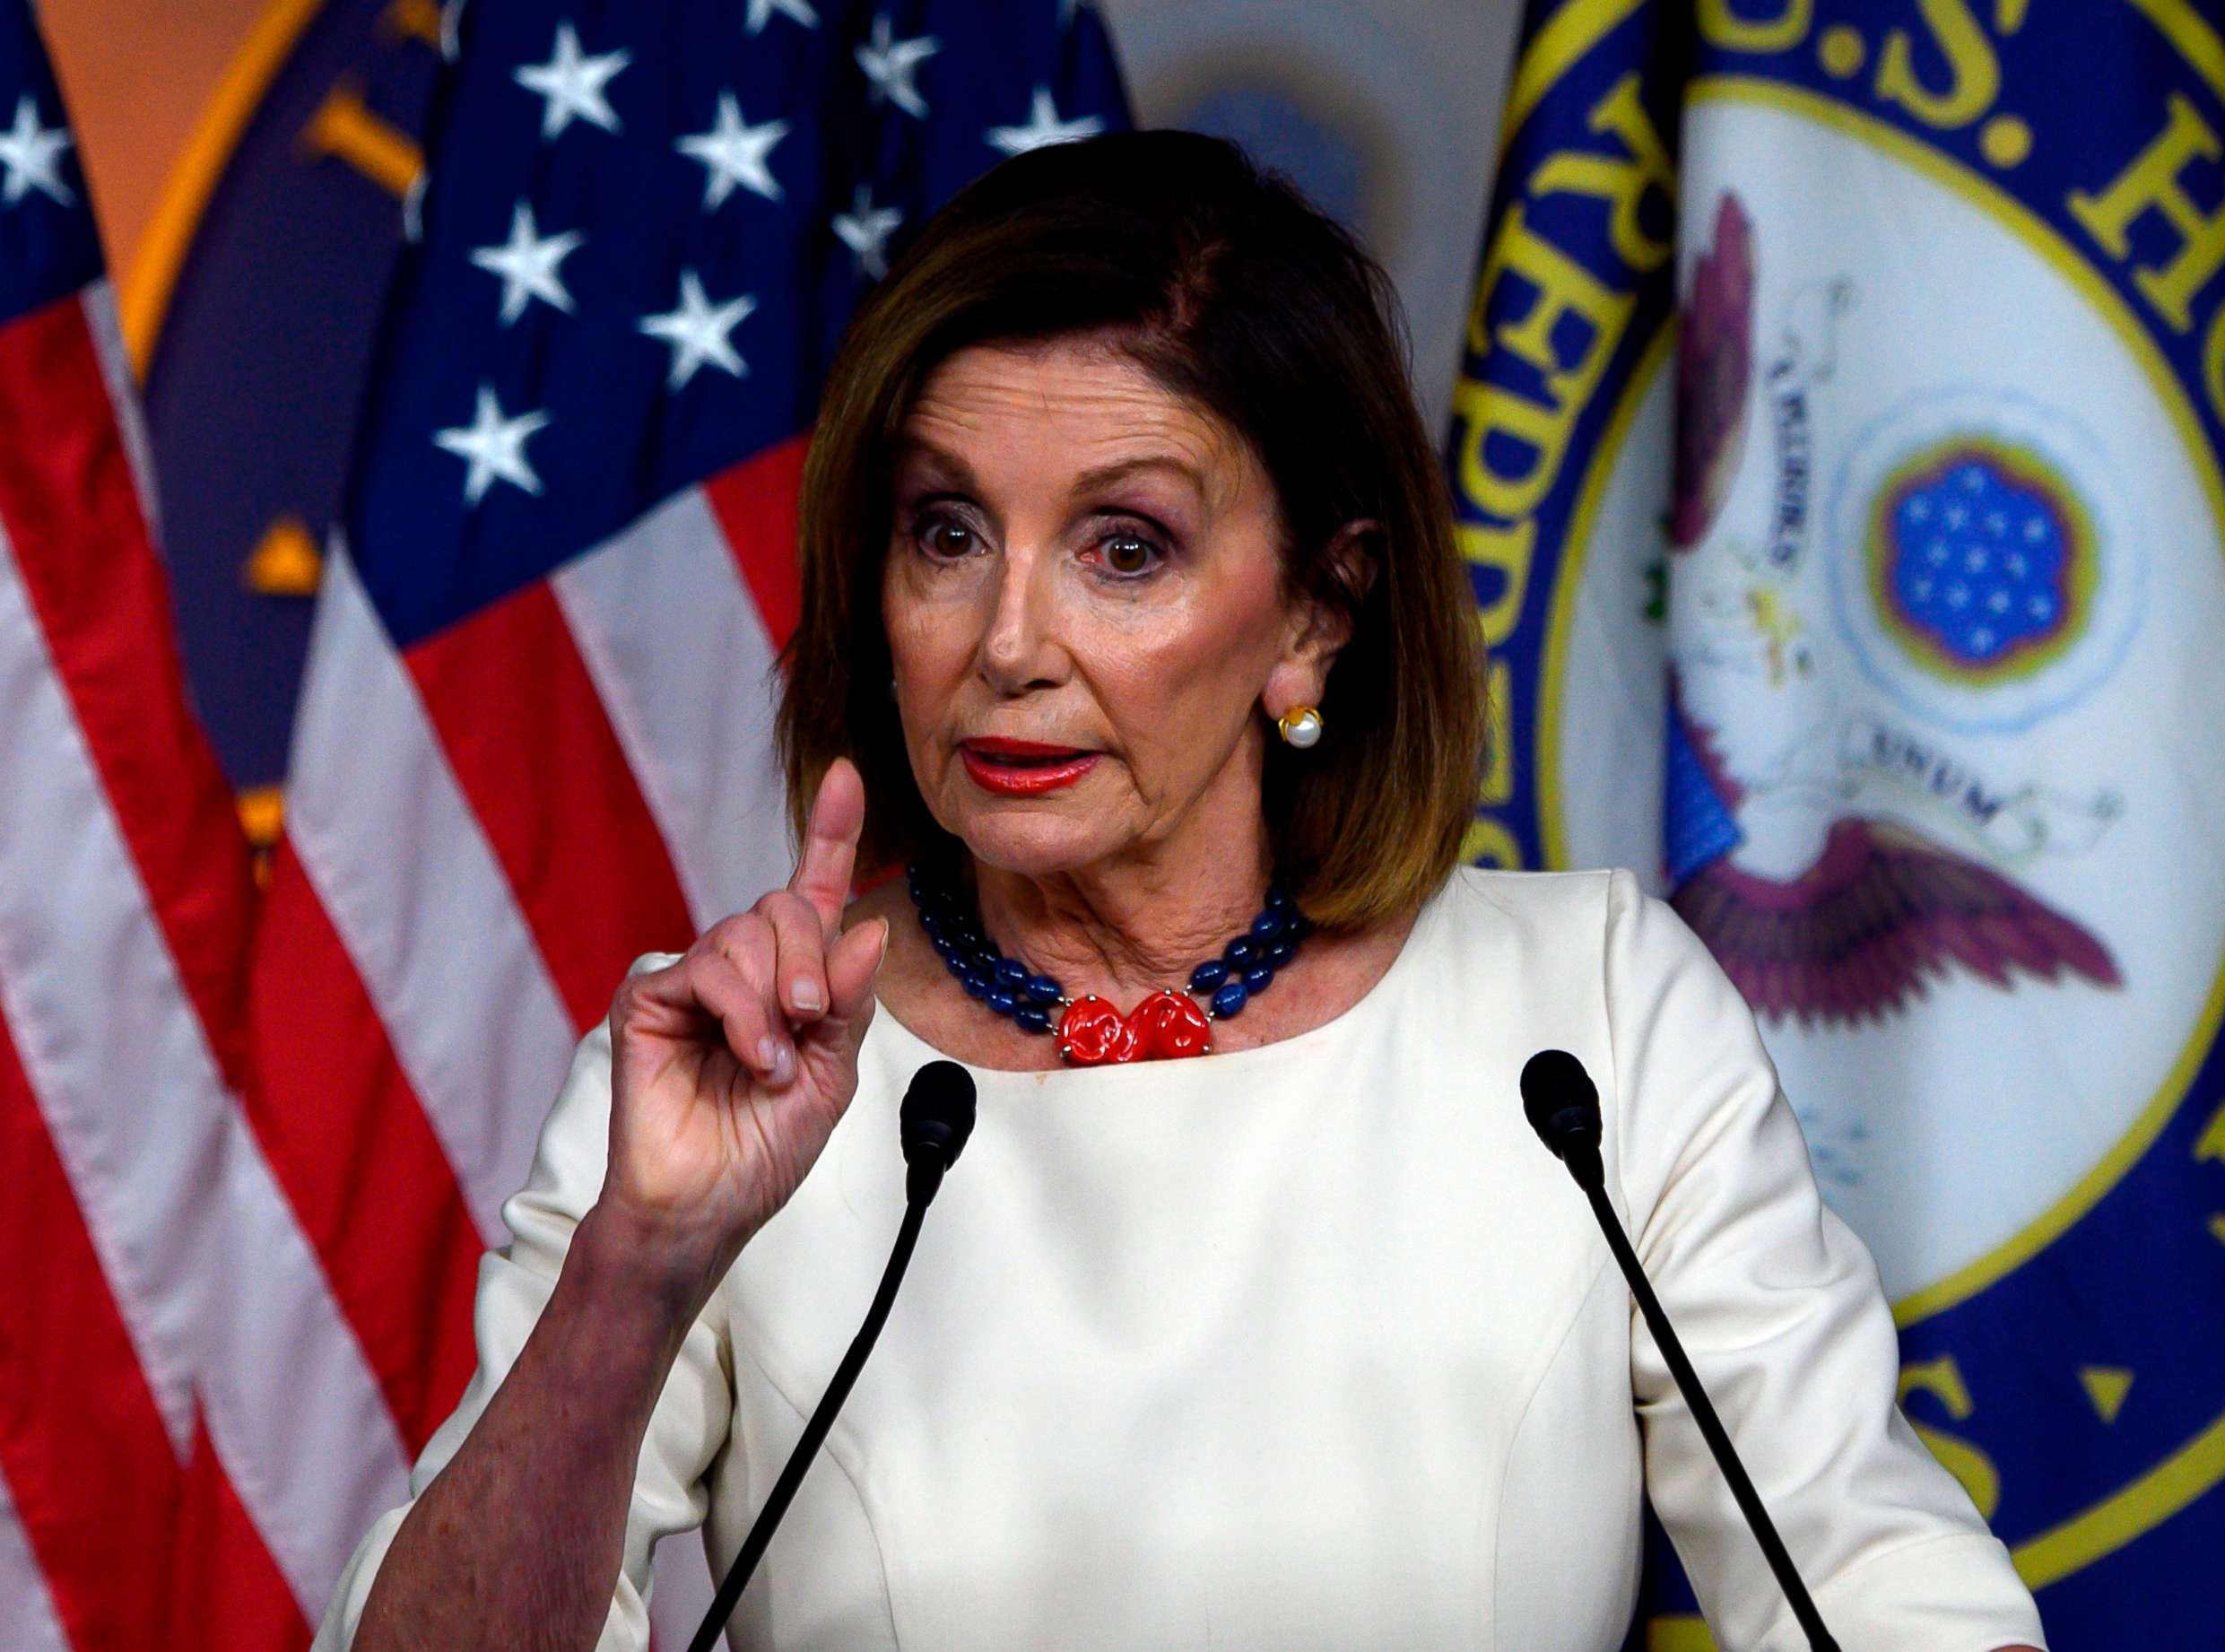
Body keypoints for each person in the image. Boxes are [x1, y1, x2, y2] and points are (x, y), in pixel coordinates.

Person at [317, 131, 2046, 1652]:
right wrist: (639, 1270)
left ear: (1317, 607)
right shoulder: (733, 1075)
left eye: (1122, 547)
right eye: (945, 531)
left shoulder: (1583, 1025)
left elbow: (1883, 1592)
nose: (1009, 642)